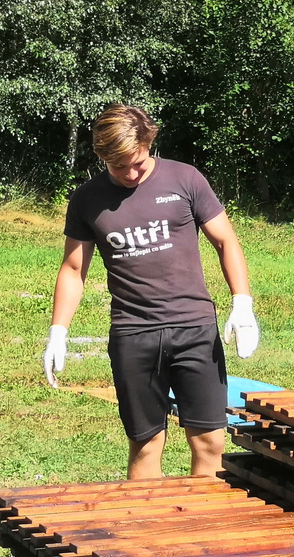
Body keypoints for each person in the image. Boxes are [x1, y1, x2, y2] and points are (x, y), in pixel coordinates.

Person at [42, 104, 259, 479]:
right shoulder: (87, 199)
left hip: (194, 330)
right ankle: (147, 518)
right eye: (118, 166)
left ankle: (201, 517)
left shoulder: (185, 179)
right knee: (145, 445)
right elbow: (74, 270)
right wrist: (58, 332)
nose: (129, 174)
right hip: (134, 335)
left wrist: (242, 303)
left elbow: (226, 241)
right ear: (101, 156)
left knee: (210, 442)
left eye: (137, 164)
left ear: (149, 143)